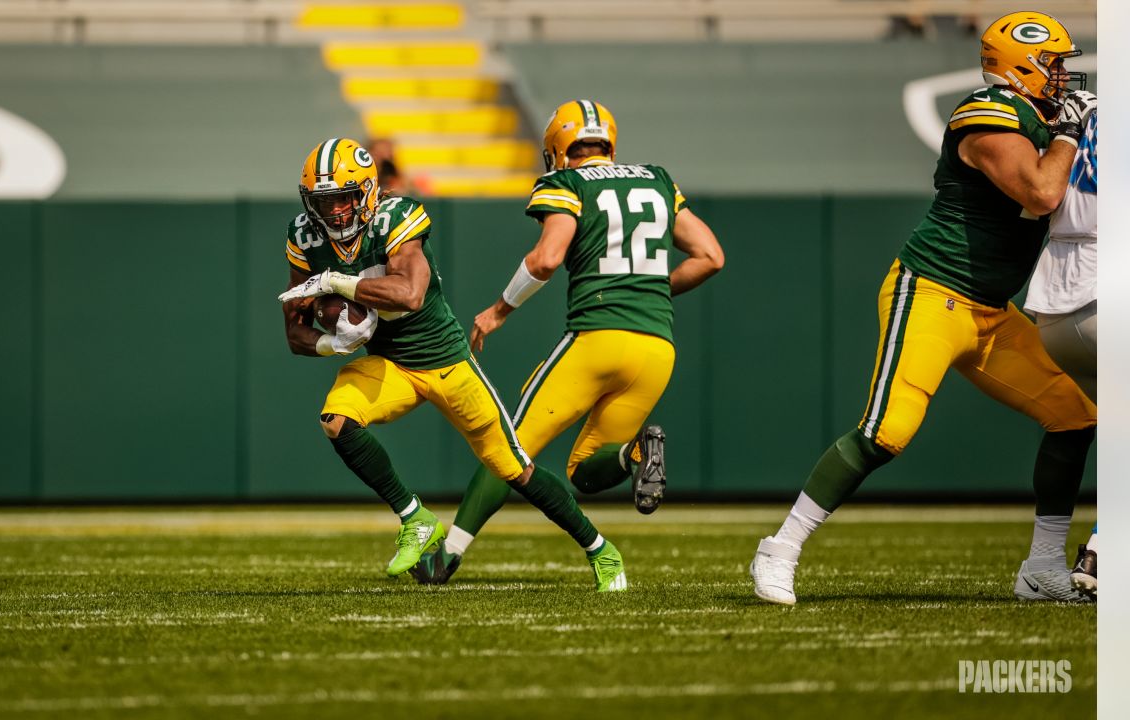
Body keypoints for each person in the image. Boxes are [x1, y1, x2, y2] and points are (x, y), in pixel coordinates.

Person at [749, 11, 1098, 605]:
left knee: (1075, 414)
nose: (1063, 76)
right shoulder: (986, 114)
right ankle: (780, 548)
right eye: (1054, 63)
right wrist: (1068, 134)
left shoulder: (1040, 116)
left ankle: (1042, 565)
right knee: (887, 431)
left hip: (991, 309)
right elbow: (1041, 193)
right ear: (1020, 64)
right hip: (933, 291)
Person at [278, 137, 629, 591]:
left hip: (445, 362)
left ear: (366, 192)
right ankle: (415, 518)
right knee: (336, 418)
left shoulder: (396, 217)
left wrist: (339, 283)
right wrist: (334, 344)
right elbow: (294, 332)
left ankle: (600, 549)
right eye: (325, 203)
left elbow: (410, 294)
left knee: (514, 468)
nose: (337, 213)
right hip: (391, 365)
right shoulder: (305, 236)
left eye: (344, 199)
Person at [409, 100, 725, 585]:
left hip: (598, 337)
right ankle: (634, 455)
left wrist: (498, 311)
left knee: (506, 447)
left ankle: (447, 555)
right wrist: (650, 287)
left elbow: (545, 259)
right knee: (583, 471)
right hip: (657, 348)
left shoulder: (566, 182)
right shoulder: (657, 179)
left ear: (558, 147)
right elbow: (710, 255)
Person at [1023, 108, 1097, 599]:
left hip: (1054, 304)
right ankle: (1102, 552)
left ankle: (1047, 562)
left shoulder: (1078, 118)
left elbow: (1031, 205)